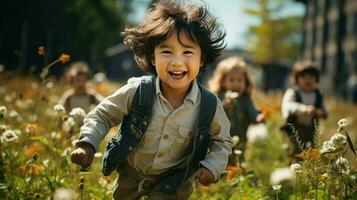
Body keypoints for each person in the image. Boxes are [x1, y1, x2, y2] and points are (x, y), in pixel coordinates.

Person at [70, 1, 232, 199]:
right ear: (153, 57)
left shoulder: (209, 105)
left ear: (202, 59)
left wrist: (212, 167)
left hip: (174, 182)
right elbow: (103, 115)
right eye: (167, 51)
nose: (177, 61)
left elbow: (222, 141)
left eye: (188, 52)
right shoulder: (138, 91)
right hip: (131, 175)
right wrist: (87, 143)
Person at [208, 56, 265, 167]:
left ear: (246, 81)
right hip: (222, 137)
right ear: (223, 82)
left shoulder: (245, 98)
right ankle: (222, 176)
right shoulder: (218, 97)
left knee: (239, 156)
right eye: (231, 80)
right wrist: (224, 106)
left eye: (240, 80)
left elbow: (252, 111)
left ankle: (238, 175)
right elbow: (213, 114)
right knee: (222, 157)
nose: (236, 84)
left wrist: (258, 117)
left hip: (241, 135)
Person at [281, 60, 328, 160]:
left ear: (316, 79)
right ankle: (293, 165)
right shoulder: (293, 93)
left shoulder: (318, 95)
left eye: (311, 77)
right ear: (297, 79)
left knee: (310, 150)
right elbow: (288, 106)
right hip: (294, 128)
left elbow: (324, 111)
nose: (308, 80)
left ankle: (308, 168)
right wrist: (304, 109)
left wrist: (320, 113)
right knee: (295, 150)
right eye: (304, 77)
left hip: (311, 129)